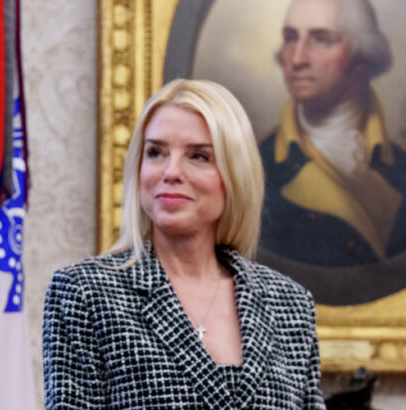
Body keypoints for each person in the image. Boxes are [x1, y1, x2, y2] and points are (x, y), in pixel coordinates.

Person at [42, 79, 324, 409]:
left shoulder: (290, 304)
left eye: (199, 156)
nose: (171, 171)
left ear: (235, 174)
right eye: (156, 152)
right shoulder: (84, 293)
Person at [257, 0, 406, 304]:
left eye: (321, 39)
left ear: (362, 56)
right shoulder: (253, 166)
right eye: (290, 38)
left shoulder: (401, 166)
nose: (296, 59)